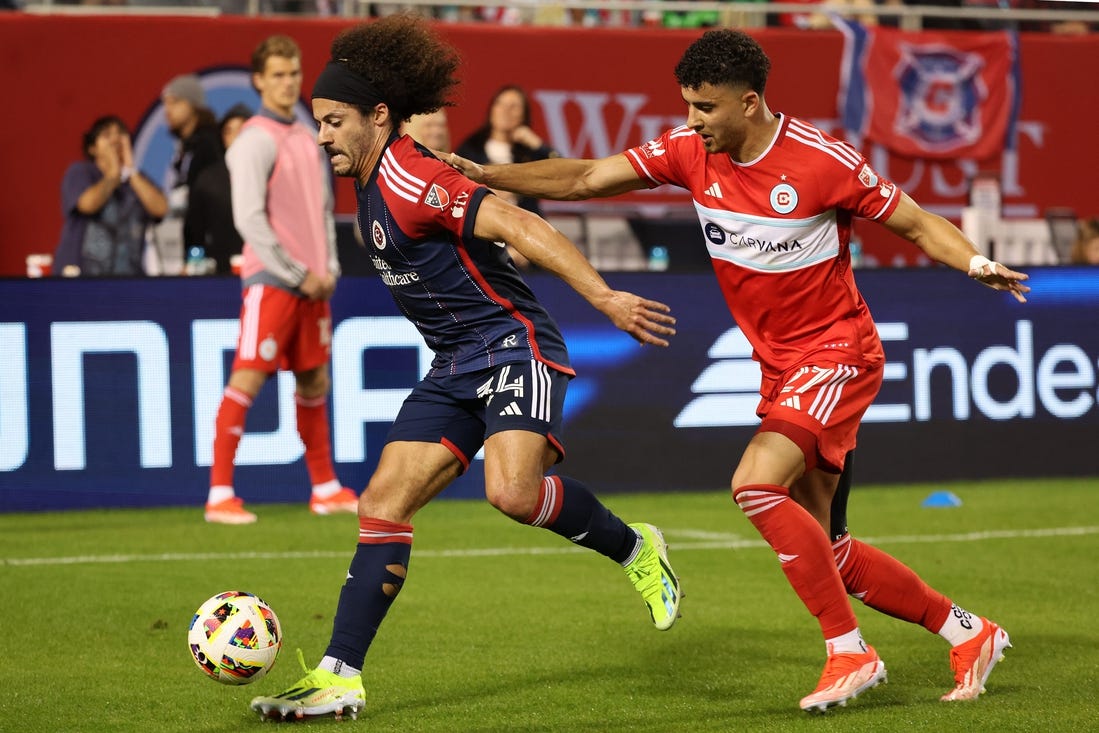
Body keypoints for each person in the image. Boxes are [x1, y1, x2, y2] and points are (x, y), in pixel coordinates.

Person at [445, 28, 1029, 713]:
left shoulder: (821, 160)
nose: (691, 120)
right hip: (779, 366)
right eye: (687, 105)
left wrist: (974, 261)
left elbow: (917, 222)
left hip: (836, 352)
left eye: (705, 107)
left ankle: (849, 651)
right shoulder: (689, 151)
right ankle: (968, 632)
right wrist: (485, 176)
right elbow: (585, 177)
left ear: (748, 102)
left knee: (754, 484)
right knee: (828, 548)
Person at [248, 14, 682, 721]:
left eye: (332, 121)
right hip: (453, 362)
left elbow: (521, 224)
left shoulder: (411, 177)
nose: (321, 134)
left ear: (377, 116)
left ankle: (636, 547)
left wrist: (604, 296)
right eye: (318, 121)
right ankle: (339, 676)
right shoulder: (369, 178)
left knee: (511, 493)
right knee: (380, 502)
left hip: (512, 344)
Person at [205, 34, 355, 524]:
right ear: (259, 80)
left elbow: (324, 210)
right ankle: (219, 494)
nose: (288, 83)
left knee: (314, 378)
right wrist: (296, 272)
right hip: (273, 279)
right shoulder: (253, 139)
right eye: (278, 75)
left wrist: (328, 268)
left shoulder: (310, 136)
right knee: (248, 376)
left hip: (314, 281)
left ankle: (325, 488)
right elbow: (248, 219)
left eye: (293, 74)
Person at [455, 85, 558, 269]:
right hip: (482, 240)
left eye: (513, 107)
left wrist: (538, 145)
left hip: (528, 241)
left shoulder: (528, 154)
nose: (505, 111)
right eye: (500, 104)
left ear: (524, 116)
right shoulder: (471, 149)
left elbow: (563, 173)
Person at [52, 115, 168, 277]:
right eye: (106, 135)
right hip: (81, 277)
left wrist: (131, 170)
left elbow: (161, 209)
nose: (115, 140)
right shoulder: (81, 173)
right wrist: (113, 174)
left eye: (120, 134)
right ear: (92, 148)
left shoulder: (138, 180)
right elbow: (87, 204)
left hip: (128, 278)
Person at [162, 74, 230, 265]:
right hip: (191, 243)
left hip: (209, 250)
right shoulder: (186, 147)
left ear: (192, 104)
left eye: (174, 102)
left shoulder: (209, 144)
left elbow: (210, 200)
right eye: (165, 104)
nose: (167, 110)